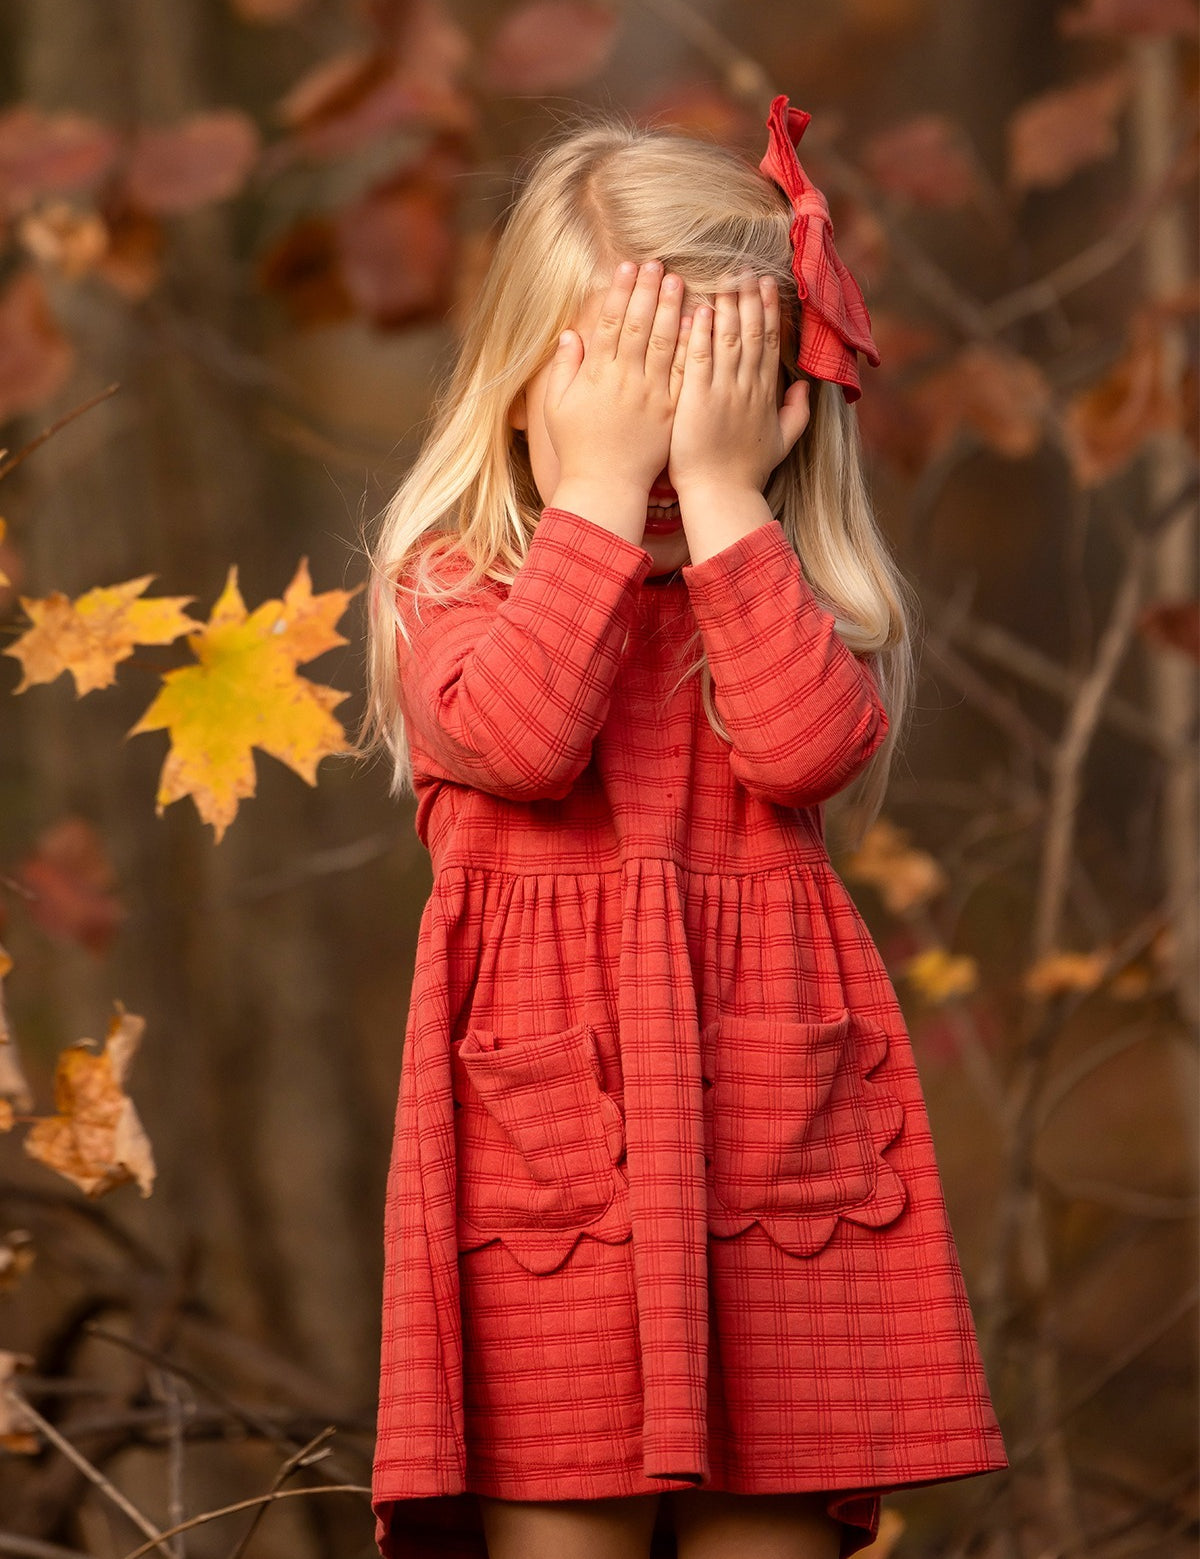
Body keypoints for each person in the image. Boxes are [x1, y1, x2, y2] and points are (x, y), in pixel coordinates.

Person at [359, 95, 1008, 1559]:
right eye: (619, 387)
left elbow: (804, 747)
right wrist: (594, 490)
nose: (654, 437)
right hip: (547, 1166)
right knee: (563, 1513)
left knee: (766, 1523)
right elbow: (524, 741)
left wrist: (723, 497)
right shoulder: (454, 580)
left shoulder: (778, 586)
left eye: (700, 390)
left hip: (769, 1155)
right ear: (526, 382)